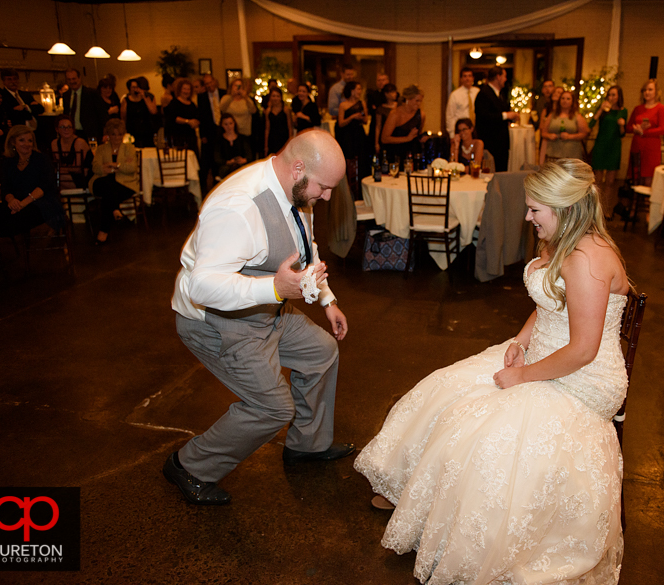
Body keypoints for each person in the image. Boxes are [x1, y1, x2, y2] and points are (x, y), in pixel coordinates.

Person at [355, 158, 629, 584]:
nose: (527, 217)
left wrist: (523, 374)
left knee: (488, 431)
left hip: (582, 379)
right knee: (446, 388)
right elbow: (547, 307)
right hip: (545, 352)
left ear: (564, 208)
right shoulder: (558, 240)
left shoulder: (589, 259)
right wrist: (519, 343)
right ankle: (419, 496)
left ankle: (453, 521)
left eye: (535, 209)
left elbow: (582, 350)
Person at [164, 129, 353, 505]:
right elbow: (202, 287)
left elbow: (305, 247)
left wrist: (327, 300)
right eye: (324, 187)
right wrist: (275, 290)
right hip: (217, 323)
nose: (328, 196)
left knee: (321, 352)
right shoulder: (239, 206)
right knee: (272, 408)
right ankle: (189, 466)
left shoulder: (297, 189)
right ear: (298, 167)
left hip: (269, 309)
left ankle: (306, 445)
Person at [0, 125, 65, 237]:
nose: (27, 144)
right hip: (17, 202)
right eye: (22, 140)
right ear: (13, 142)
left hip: (42, 202)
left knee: (19, 217)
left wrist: (22, 204)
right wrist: (12, 200)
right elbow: (5, 187)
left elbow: (45, 186)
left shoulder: (42, 159)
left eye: (30, 141)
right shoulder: (8, 162)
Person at [89, 119, 137, 245]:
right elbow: (96, 167)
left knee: (108, 195)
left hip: (125, 184)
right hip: (102, 181)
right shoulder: (101, 149)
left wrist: (114, 165)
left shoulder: (129, 148)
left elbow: (132, 168)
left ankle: (103, 232)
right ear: (109, 135)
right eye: (114, 134)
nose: (117, 137)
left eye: (120, 134)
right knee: (107, 186)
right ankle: (115, 210)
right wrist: (117, 167)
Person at [589, 85, 627, 218]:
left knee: (610, 182)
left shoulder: (623, 111)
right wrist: (600, 110)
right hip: (601, 145)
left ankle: (607, 210)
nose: (611, 97)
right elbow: (591, 124)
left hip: (614, 147)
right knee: (597, 181)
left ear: (619, 97)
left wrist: (622, 125)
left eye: (614, 95)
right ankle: (595, 210)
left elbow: (623, 134)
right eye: (609, 95)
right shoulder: (604, 110)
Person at [475, 66, 520, 172]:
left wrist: (511, 118)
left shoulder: (501, 94)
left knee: (502, 170)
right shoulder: (483, 93)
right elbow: (484, 116)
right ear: (498, 77)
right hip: (491, 142)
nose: (506, 79)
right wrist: (506, 115)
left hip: (501, 142)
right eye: (504, 76)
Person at [628, 79, 664, 187]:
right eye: (645, 90)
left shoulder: (661, 109)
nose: (647, 92)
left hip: (651, 149)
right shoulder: (638, 109)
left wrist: (645, 132)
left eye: (650, 89)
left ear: (656, 92)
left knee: (648, 180)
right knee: (635, 179)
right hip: (637, 146)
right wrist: (635, 129)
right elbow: (628, 127)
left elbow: (662, 129)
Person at [539, 89, 590, 164]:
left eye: (568, 99)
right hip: (553, 154)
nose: (565, 101)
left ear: (572, 101)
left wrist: (569, 136)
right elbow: (543, 132)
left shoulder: (577, 116)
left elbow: (584, 133)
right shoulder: (552, 115)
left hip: (571, 154)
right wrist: (549, 136)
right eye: (563, 98)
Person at [381, 85, 426, 165]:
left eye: (420, 101)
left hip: (412, 154)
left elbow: (417, 134)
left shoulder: (421, 115)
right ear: (408, 99)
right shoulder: (395, 114)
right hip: (396, 154)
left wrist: (422, 138)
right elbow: (384, 139)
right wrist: (407, 138)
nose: (419, 104)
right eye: (417, 101)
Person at [197, 74, 227, 188]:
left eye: (211, 82)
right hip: (209, 132)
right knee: (207, 160)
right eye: (206, 84)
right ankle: (204, 188)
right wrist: (202, 135)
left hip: (222, 130)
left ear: (215, 81)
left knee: (220, 158)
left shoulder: (224, 94)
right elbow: (201, 116)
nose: (209, 85)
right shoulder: (202, 97)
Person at [50, 114, 92, 191]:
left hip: (82, 176)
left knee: (58, 176)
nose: (66, 130)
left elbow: (77, 168)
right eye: (63, 127)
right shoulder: (55, 143)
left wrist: (60, 170)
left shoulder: (79, 142)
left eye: (69, 127)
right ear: (57, 129)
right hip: (66, 175)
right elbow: (58, 164)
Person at [63, 68, 100, 141]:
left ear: (79, 78)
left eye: (74, 79)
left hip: (89, 133)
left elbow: (101, 113)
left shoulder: (91, 93)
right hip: (72, 133)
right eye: (69, 79)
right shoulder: (66, 95)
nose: (72, 81)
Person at [164, 78, 200, 152]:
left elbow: (197, 117)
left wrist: (196, 122)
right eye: (184, 89)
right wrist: (188, 121)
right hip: (178, 137)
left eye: (188, 89)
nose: (186, 91)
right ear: (180, 90)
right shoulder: (174, 103)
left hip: (190, 137)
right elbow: (172, 118)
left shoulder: (192, 104)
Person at [213, 113, 253, 179]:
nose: (229, 127)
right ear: (221, 125)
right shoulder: (219, 141)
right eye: (226, 124)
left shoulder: (242, 139)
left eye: (230, 123)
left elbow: (249, 155)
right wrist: (228, 162)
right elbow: (217, 158)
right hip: (225, 169)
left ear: (234, 123)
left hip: (241, 166)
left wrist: (244, 160)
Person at [121, 77, 157, 148]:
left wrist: (144, 97)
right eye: (133, 87)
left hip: (146, 130)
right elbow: (123, 117)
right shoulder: (125, 100)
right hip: (132, 130)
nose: (136, 89)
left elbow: (153, 111)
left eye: (137, 87)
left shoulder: (147, 97)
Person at [445, 67, 480, 139]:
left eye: (469, 76)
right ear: (461, 79)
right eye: (465, 76)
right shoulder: (455, 95)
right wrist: (452, 134)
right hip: (462, 130)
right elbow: (450, 116)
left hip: (476, 130)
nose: (467, 78)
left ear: (473, 78)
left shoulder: (478, 92)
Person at [264, 87, 293, 156]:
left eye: (277, 96)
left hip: (283, 138)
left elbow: (290, 127)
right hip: (272, 139)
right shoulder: (268, 111)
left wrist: (290, 142)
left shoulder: (286, 110)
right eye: (273, 96)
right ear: (270, 97)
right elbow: (267, 129)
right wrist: (266, 145)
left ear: (281, 97)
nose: (275, 98)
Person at [366, 73, 390, 149]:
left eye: (383, 80)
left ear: (388, 81)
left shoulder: (393, 95)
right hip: (375, 125)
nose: (381, 82)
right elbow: (372, 110)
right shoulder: (372, 95)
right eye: (379, 80)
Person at [373, 83, 397, 156]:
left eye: (395, 92)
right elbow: (378, 126)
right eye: (392, 92)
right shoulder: (381, 109)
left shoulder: (399, 105)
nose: (395, 94)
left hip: (398, 135)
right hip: (387, 137)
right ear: (386, 94)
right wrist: (376, 143)